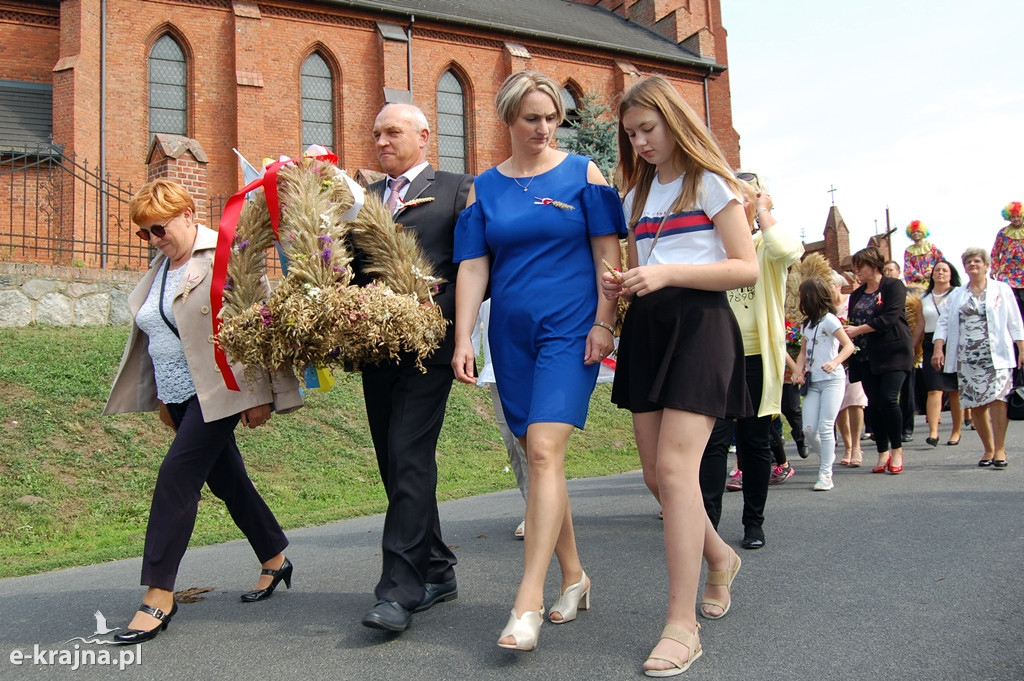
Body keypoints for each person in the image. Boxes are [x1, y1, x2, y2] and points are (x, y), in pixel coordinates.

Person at [451, 70, 624, 651]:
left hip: (571, 330)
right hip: (511, 335)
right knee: (536, 454)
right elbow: (473, 267)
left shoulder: (583, 174)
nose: (545, 128)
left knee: (546, 451)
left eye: (552, 118)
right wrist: (463, 338)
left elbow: (608, 252)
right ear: (508, 119)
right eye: (532, 118)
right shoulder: (485, 188)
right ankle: (574, 577)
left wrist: (606, 320)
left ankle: (526, 601)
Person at [602, 75, 757, 677]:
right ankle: (719, 557)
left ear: (673, 121)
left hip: (700, 329)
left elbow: (744, 267)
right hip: (649, 330)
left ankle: (681, 624)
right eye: (631, 133)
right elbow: (639, 268)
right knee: (655, 477)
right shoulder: (635, 198)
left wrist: (666, 277)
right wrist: (624, 288)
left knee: (675, 470)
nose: (639, 141)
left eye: (648, 129)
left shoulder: (712, 182)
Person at [103, 179, 303, 644]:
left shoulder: (227, 254)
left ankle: (158, 594)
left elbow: (261, 323)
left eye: (159, 228)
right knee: (227, 479)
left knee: (176, 478)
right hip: (176, 395)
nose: (153, 239)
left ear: (189, 214)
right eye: (144, 233)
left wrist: (261, 393)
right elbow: (160, 337)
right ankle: (275, 556)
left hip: (221, 392)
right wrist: (160, 398)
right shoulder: (160, 270)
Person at [357, 103, 472, 633]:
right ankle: (438, 568)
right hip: (377, 350)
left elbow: (474, 268)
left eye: (393, 132)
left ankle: (398, 591)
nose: (382, 141)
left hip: (429, 348)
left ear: (425, 136)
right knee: (392, 461)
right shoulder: (366, 200)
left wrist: (447, 318)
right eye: (377, 133)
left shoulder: (457, 189)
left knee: (409, 454)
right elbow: (353, 270)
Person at [697, 171, 803, 549]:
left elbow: (790, 250)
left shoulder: (762, 247)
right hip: (716, 353)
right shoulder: (710, 246)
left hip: (757, 357)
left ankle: (753, 523)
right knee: (712, 443)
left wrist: (762, 210)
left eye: (738, 199)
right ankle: (706, 527)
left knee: (755, 442)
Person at [932, 248, 1024, 468]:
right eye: (968, 262)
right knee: (977, 403)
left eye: (977, 261)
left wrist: (1021, 348)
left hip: (996, 355)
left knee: (998, 400)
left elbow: (1015, 321)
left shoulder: (1001, 289)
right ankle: (988, 449)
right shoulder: (956, 295)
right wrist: (938, 348)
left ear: (986, 265)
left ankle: (1000, 449)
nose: (972, 264)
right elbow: (943, 323)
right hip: (967, 357)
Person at [846, 246, 914, 474]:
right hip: (865, 356)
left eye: (860, 267)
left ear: (874, 265)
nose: (857, 271)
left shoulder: (893, 286)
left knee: (888, 399)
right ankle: (882, 450)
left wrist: (857, 330)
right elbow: (852, 319)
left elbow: (889, 318)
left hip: (893, 353)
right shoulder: (856, 294)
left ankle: (897, 449)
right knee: (874, 404)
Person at [792, 277, 856, 490]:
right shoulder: (806, 325)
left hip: (832, 380)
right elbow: (802, 353)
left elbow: (848, 346)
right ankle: (828, 456)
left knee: (826, 426)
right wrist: (798, 372)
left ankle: (825, 474)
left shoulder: (830, 320)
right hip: (813, 382)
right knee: (808, 431)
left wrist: (835, 361)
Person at [912, 259, 963, 446]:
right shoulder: (924, 298)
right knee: (934, 388)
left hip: (954, 341)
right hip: (930, 342)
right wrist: (912, 347)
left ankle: (956, 431)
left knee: (955, 390)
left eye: (945, 270)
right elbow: (920, 325)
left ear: (951, 274)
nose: (940, 273)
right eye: (937, 270)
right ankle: (933, 432)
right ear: (932, 275)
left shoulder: (958, 294)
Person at [831, 270, 868, 467]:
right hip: (832, 361)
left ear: (839, 285)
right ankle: (846, 446)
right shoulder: (825, 308)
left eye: (830, 285)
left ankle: (856, 447)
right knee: (838, 406)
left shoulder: (851, 301)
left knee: (855, 401)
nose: (827, 289)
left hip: (853, 358)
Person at [989, 201, 1024, 319]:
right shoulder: (1003, 233)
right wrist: (994, 267)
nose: (1016, 219)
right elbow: (995, 252)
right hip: (1008, 273)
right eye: (1013, 216)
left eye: (1018, 216)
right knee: (1010, 302)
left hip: (1023, 272)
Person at [903, 220, 944, 285]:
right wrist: (918, 275)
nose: (916, 233)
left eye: (918, 231)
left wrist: (932, 271)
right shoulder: (908, 251)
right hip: (917, 283)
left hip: (933, 280)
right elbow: (907, 266)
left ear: (923, 232)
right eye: (913, 232)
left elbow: (941, 260)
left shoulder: (931, 247)